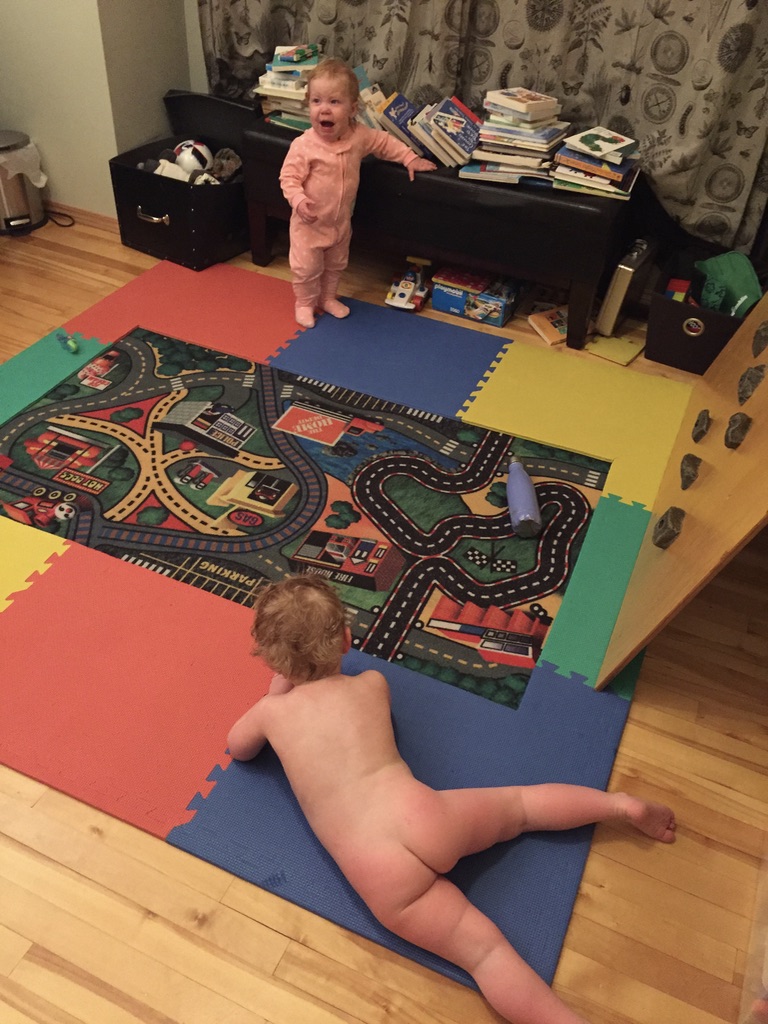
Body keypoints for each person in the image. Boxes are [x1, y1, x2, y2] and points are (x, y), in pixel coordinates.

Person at [228, 575, 677, 1024]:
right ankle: (620, 806)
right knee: (523, 807)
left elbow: (239, 748)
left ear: (271, 661)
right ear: (347, 639)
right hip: (423, 815)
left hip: (381, 872)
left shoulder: (272, 713)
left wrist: (275, 695)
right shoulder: (371, 684)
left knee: (486, 955)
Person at [279, 58, 437, 329]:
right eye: (316, 101)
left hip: (340, 223)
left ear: (353, 109)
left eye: (334, 102)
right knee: (306, 268)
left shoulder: (358, 136)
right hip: (309, 225)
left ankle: (327, 298)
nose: (324, 109)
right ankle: (305, 303)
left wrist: (409, 158)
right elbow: (289, 178)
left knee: (336, 264)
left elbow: (384, 143)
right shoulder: (303, 146)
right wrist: (299, 200)